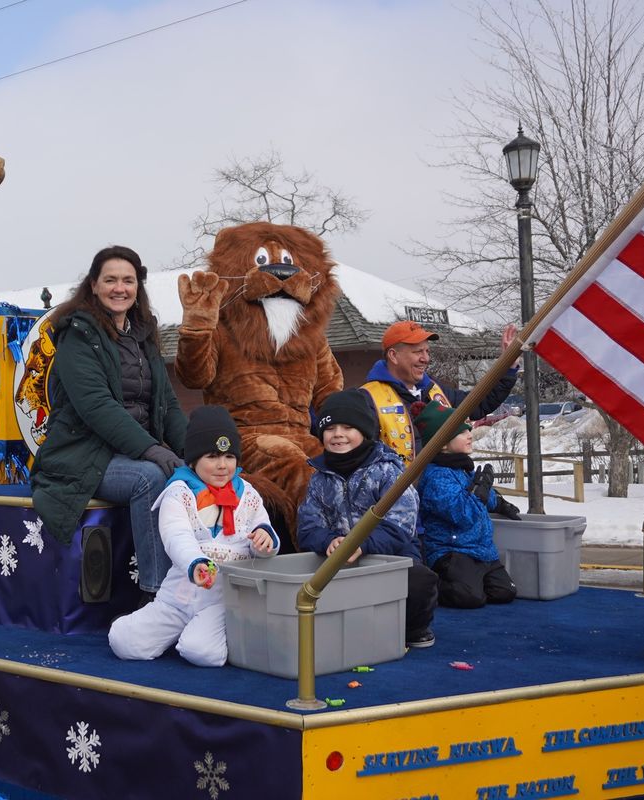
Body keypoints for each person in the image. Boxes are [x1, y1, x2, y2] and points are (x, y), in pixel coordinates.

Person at [31, 245, 188, 601]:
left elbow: (168, 404)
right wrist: (151, 450)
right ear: (94, 285)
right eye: (111, 280)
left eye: (128, 280)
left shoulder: (143, 335)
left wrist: (196, 453)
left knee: (197, 475)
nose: (120, 288)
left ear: (138, 287)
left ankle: (198, 588)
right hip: (82, 456)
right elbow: (96, 406)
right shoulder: (77, 335)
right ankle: (158, 597)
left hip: (131, 453)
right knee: (151, 479)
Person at [108, 405, 278, 666]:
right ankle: (177, 630)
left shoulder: (248, 494)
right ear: (193, 460)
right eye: (212, 456)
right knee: (123, 640)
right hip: (178, 597)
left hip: (223, 600)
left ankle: (227, 632)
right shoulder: (179, 492)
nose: (222, 466)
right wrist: (195, 563)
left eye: (229, 457)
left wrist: (266, 540)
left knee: (200, 651)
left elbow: (262, 530)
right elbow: (176, 536)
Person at [296, 390, 439, 648]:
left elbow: (401, 524)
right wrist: (329, 540)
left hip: (389, 555)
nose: (338, 433)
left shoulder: (389, 470)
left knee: (419, 580)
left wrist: (362, 544)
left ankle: (413, 627)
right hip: (338, 559)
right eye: (330, 428)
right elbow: (307, 527)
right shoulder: (319, 478)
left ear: (365, 431)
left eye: (348, 427)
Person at [359, 320, 521, 466]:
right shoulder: (367, 399)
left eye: (427, 351)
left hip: (443, 492)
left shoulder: (433, 390)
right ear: (393, 355)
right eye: (418, 352)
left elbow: (479, 403)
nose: (426, 358)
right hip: (399, 496)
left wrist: (508, 365)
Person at [413, 401, 520, 609]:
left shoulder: (462, 468)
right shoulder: (437, 477)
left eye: (468, 429)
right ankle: (433, 585)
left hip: (482, 550)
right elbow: (461, 514)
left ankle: (471, 581)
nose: (469, 434)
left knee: (504, 592)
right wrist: (478, 492)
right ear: (442, 443)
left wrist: (498, 502)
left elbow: (479, 495)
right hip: (452, 551)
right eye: (462, 432)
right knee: (469, 597)